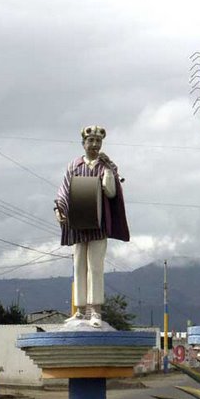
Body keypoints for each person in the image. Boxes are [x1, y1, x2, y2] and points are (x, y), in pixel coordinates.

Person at [54, 126, 129, 325]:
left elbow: (111, 192)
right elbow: (64, 190)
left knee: (95, 266)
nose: (94, 145)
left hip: (98, 224)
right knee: (79, 265)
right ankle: (79, 309)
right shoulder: (74, 166)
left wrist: (110, 171)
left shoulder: (106, 166)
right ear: (84, 143)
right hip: (79, 223)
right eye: (91, 141)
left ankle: (95, 310)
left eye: (98, 141)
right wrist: (59, 209)